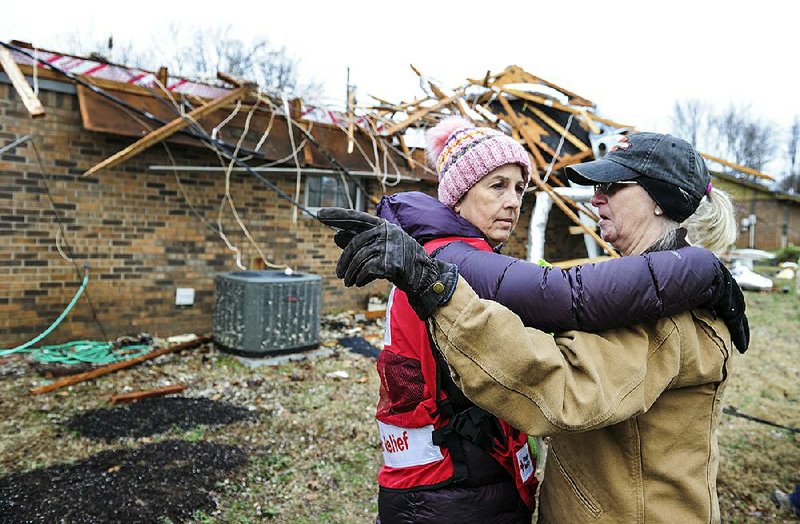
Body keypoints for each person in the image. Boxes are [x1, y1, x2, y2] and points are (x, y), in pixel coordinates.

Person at [323, 121, 747, 523]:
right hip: (445, 487)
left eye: (612, 187)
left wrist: (440, 291)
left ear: (661, 200)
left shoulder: (667, 315)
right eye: (497, 186)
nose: (596, 198)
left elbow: (560, 385)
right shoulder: (650, 292)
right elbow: (560, 296)